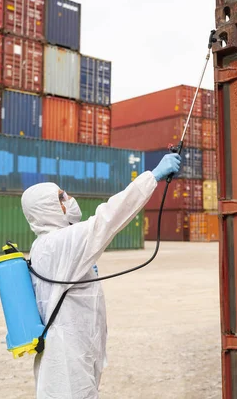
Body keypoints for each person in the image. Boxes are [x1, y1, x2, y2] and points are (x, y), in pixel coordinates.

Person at [20, 153, 181, 399]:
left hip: (74, 354)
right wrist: (152, 177)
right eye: (62, 197)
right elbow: (108, 217)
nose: (70, 198)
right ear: (47, 208)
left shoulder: (53, 244)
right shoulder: (57, 244)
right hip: (66, 361)